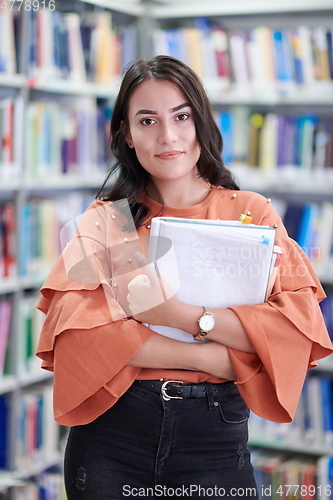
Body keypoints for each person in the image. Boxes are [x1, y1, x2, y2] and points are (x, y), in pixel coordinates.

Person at [36, 56, 333, 499]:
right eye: (147, 120)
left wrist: (175, 314)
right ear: (126, 135)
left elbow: (293, 329)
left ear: (201, 123)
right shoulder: (106, 222)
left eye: (181, 116)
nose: (168, 136)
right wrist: (216, 355)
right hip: (111, 439)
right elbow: (80, 339)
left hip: (214, 439)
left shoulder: (252, 214)